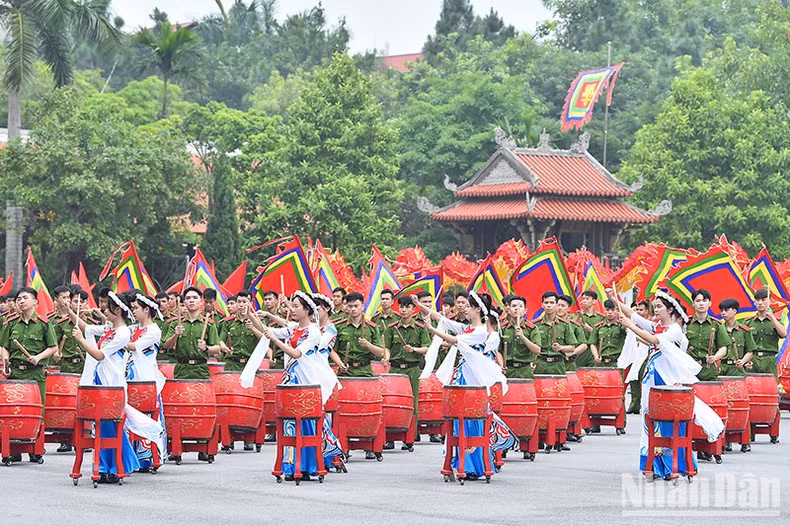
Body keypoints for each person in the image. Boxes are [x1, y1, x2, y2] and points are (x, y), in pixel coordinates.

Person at [608, 288, 724, 480]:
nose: (655, 309)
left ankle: (674, 467)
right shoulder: (658, 326)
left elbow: (653, 339)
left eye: (659, 307)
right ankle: (653, 465)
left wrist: (630, 326)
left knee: (670, 424)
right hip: (652, 380)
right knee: (650, 422)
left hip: (669, 382)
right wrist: (615, 299)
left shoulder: (674, 331)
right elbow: (634, 316)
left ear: (670, 310)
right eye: (654, 306)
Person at [418, 291, 513, 480]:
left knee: (472, 421)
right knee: (460, 421)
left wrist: (431, 329)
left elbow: (455, 340)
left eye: (468, 307)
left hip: (473, 381)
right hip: (464, 378)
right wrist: (420, 305)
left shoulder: (481, 332)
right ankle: (464, 461)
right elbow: (443, 319)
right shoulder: (469, 328)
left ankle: (473, 466)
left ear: (478, 309)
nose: (465, 310)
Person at [260, 291, 340, 481]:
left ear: (307, 309)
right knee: (290, 423)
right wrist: (252, 317)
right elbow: (273, 330)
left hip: (311, 373)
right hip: (293, 376)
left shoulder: (320, 331)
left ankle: (309, 463)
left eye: (296, 306)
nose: (292, 309)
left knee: (309, 421)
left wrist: (275, 339)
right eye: (292, 306)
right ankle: (291, 465)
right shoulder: (296, 328)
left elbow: (298, 353)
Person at [71, 291, 141, 481]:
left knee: (109, 428)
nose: (103, 310)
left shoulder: (123, 334)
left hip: (113, 385)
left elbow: (100, 355)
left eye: (107, 307)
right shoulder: (110, 330)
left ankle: (111, 467)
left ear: (117, 310)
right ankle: (108, 467)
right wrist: (68, 310)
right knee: (101, 427)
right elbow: (87, 328)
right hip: (102, 383)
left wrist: (80, 340)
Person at [0, 287, 58, 463]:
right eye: (19, 299)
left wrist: (38, 357)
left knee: (36, 412)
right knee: (14, 411)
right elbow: (4, 347)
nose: (21, 301)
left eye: (25, 298)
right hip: (15, 372)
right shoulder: (10, 323)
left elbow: (53, 347)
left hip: (35, 373)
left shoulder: (44, 324)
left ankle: (36, 448)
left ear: (35, 302)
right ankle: (13, 448)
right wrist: (5, 363)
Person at [382, 295, 431, 450]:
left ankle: (410, 436)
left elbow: (426, 348)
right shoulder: (392, 327)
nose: (403, 310)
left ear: (413, 309)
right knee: (392, 402)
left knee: (412, 402)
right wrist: (386, 358)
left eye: (407, 307)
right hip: (395, 369)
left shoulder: (420, 328)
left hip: (413, 368)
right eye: (401, 307)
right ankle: (389, 437)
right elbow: (387, 347)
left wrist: (413, 349)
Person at [125, 293, 167, 471]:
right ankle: (131, 458)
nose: (133, 311)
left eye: (135, 308)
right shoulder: (132, 328)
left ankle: (148, 459)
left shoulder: (154, 330)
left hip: (146, 379)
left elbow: (134, 346)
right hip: (129, 377)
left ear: (146, 309)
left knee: (147, 415)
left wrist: (117, 339)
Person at [162, 287, 222, 380]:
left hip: (201, 369)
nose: (191, 301)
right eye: (188, 298)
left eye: (195, 298)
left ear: (201, 301)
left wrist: (206, 348)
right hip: (182, 369)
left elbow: (217, 349)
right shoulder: (176, 323)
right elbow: (166, 345)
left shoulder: (208, 324)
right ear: (184, 302)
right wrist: (176, 335)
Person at [333, 292, 386, 378]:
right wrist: (340, 364)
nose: (353, 309)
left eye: (356, 306)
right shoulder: (339, 327)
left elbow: (381, 353)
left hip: (364, 372)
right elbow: (332, 351)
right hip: (345, 372)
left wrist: (368, 345)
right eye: (350, 306)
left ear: (362, 306)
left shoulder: (371, 328)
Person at [685, 289, 730, 381]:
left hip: (709, 369)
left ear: (710, 303)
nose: (701, 304)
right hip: (688, 369)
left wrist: (714, 358)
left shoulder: (717, 324)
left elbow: (723, 348)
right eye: (698, 301)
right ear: (693, 303)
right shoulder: (685, 323)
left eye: (704, 301)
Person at [745, 288, 787, 378]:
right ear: (754, 302)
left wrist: (772, 317)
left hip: (769, 359)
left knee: (770, 388)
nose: (760, 303)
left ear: (769, 301)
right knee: (752, 388)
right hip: (752, 359)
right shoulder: (748, 322)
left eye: (763, 300)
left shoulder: (776, 321)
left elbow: (784, 334)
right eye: (757, 300)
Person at [533, 292, 577, 375]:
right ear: (542, 305)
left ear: (556, 305)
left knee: (559, 387)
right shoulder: (535, 325)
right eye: (546, 303)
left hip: (558, 364)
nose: (549, 305)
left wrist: (560, 348)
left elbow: (572, 347)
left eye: (552, 303)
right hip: (540, 364)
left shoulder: (565, 325)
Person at [500, 295, 541, 379]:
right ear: (509, 309)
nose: (516, 309)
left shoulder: (532, 329)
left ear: (525, 310)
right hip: (508, 371)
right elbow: (497, 350)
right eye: (514, 306)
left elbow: (537, 350)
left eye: (520, 306)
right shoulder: (502, 328)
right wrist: (501, 365)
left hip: (525, 371)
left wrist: (523, 337)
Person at [718, 298, 755, 377]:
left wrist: (742, 361)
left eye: (726, 310)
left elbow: (750, 351)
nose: (723, 313)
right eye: (722, 311)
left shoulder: (744, 330)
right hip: (721, 368)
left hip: (737, 369)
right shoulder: (718, 329)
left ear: (734, 311)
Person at [589, 300, 628, 368]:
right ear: (604, 310)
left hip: (617, 363)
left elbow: (627, 331)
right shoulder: (598, 327)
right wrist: (596, 356)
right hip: (601, 363)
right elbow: (593, 344)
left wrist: (624, 320)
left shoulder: (621, 326)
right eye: (607, 310)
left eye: (613, 310)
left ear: (617, 311)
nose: (610, 312)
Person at [556, 295, 586, 371]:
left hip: (568, 364)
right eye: (558, 305)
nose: (559, 308)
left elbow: (584, 345)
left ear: (569, 308)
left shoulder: (574, 325)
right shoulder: (549, 324)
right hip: (552, 364)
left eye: (563, 306)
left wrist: (572, 353)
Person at [575, 291, 605, 367]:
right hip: (580, 351)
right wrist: (578, 317)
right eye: (583, 299)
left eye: (587, 299)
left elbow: (604, 336)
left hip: (594, 351)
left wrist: (591, 330)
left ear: (594, 301)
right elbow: (572, 330)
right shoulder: (577, 316)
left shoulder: (601, 318)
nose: (584, 301)